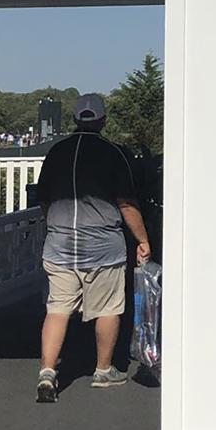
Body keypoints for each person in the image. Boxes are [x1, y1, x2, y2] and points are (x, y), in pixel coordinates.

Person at [33, 94, 151, 403]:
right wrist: (142, 239)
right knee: (108, 308)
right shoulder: (112, 153)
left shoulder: (57, 151)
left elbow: (43, 198)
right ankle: (103, 369)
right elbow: (126, 202)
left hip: (60, 241)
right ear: (102, 120)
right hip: (102, 243)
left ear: (75, 119)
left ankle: (47, 371)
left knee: (57, 307)